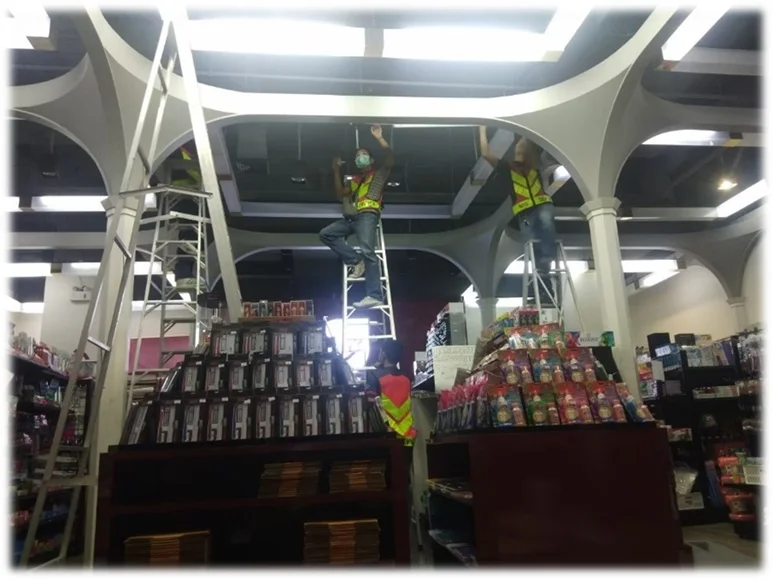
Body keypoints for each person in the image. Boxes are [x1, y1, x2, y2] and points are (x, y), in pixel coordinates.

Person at [320, 125, 395, 309]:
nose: (360, 156)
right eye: (357, 155)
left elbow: (390, 158)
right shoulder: (356, 180)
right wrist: (336, 170)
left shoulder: (379, 175)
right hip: (353, 218)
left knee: (368, 251)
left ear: (371, 159)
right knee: (326, 234)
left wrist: (379, 138)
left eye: (363, 154)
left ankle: (374, 295)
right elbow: (340, 195)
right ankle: (355, 260)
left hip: (368, 215)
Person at [478, 126, 557, 279]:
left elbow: (532, 144)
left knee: (546, 221)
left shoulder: (535, 165)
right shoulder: (507, 168)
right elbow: (486, 154)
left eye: (523, 148)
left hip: (542, 203)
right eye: (518, 148)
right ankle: (541, 269)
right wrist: (482, 130)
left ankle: (547, 259)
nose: (520, 150)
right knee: (530, 239)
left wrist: (526, 131)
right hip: (524, 210)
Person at [366, 339, 416, 462]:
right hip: (408, 433)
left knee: (388, 467)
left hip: (386, 433)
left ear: (383, 354)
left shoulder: (374, 375)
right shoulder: (408, 377)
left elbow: (370, 405)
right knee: (406, 467)